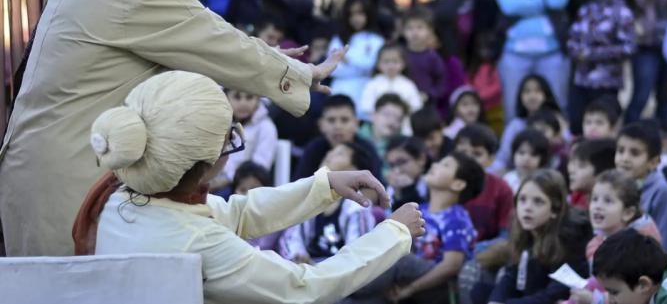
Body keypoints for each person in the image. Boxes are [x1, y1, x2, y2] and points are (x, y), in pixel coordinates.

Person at [0, 0, 348, 257]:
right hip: (72, 178)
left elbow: (212, 39)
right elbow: (220, 43)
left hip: (50, 172)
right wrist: (302, 75)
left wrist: (268, 56)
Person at [76, 71, 425, 303]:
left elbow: (236, 212)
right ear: (209, 163)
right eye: (230, 138)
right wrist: (394, 233)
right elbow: (305, 287)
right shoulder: (196, 237)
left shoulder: (124, 197)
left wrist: (326, 185)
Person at [346, 151, 484, 304]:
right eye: (438, 162)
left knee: (397, 259)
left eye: (445, 165)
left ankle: (343, 285)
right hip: (407, 277)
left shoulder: (457, 218)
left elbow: (451, 266)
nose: (435, 165)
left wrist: (411, 289)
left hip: (439, 287)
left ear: (458, 184)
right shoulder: (421, 209)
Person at [486, 170, 593, 304]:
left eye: (538, 202)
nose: (527, 208)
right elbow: (511, 275)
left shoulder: (572, 237)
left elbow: (557, 292)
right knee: (481, 290)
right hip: (531, 296)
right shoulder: (524, 231)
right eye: (522, 200)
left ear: (555, 210)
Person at [496, 0, 572, 118]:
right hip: (514, 55)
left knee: (556, 104)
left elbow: (557, 1)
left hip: (551, 55)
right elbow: (509, 6)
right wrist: (541, 3)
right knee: (513, 106)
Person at [568, 170, 662, 304]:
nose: (598, 207)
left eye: (608, 201)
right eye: (594, 199)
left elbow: (628, 295)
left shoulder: (641, 245)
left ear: (628, 213)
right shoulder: (595, 242)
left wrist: (594, 299)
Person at [567, 0, 636, 134]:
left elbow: (628, 47)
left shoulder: (623, 13)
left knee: (602, 127)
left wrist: (593, 54)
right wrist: (576, 51)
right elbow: (572, 38)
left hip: (607, 82)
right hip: (582, 80)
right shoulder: (585, 10)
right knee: (577, 123)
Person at [282, 142, 378, 264]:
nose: (329, 155)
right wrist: (298, 258)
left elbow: (359, 254)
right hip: (307, 273)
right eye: (330, 151)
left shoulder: (357, 206)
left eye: (340, 153)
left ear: (354, 171)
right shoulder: (308, 199)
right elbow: (291, 242)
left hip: (342, 275)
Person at [616, 122, 667, 251]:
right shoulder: (616, 185)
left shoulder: (663, 193)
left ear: (654, 162)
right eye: (620, 151)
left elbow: (665, 246)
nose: (624, 158)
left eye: (635, 153)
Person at [294, 95, 382, 181]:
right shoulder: (313, 149)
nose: (337, 126)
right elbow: (298, 187)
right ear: (321, 125)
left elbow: (377, 188)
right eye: (331, 120)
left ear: (356, 123)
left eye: (344, 120)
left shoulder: (367, 150)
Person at [210, 89, 278, 196]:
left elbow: (260, 168)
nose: (243, 103)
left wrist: (226, 180)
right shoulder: (218, 123)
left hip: (243, 188)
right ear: (226, 97)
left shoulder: (266, 127)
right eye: (237, 97)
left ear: (258, 98)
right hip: (211, 180)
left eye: (249, 97)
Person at [455, 124, 514, 242]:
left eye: (477, 154)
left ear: (491, 159)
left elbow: (505, 236)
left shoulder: (502, 189)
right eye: (463, 152)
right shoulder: (443, 184)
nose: (468, 159)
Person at [328, 0, 385, 109]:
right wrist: (359, 65)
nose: (356, 18)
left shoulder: (376, 40)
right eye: (351, 14)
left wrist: (347, 59)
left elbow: (372, 65)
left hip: (365, 89)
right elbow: (331, 69)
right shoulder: (338, 39)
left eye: (360, 13)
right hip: (339, 89)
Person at [494, 74, 560, 173]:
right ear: (520, 96)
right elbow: (503, 159)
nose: (532, 96)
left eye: (538, 91)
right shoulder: (515, 125)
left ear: (546, 95)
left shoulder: (558, 120)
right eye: (527, 91)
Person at [360, 42, 424, 119]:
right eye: (386, 62)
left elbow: (416, 107)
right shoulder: (373, 84)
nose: (391, 66)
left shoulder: (408, 84)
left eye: (395, 61)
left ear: (403, 63)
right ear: (378, 64)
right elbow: (367, 107)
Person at [403, 8, 448, 107]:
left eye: (420, 27)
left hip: (426, 106)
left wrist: (429, 94)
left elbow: (441, 83)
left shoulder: (433, 58)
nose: (415, 33)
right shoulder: (400, 55)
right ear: (403, 31)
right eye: (409, 28)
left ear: (430, 30)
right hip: (401, 103)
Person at [567, 138, 617, 209]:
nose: (571, 171)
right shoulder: (577, 196)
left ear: (602, 173)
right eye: (573, 163)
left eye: (581, 166)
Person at [385, 136, 430, 211]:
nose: (397, 171)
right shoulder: (390, 189)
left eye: (402, 162)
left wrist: (409, 190)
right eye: (392, 165)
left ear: (421, 159)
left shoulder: (433, 186)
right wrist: (397, 195)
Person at [358, 93, 409, 158]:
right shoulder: (353, 135)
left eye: (398, 119)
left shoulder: (403, 147)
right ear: (373, 115)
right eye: (387, 114)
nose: (392, 122)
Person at [502, 129, 551, 193]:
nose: (526, 159)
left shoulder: (546, 182)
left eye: (533, 154)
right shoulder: (507, 179)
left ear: (542, 158)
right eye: (521, 153)